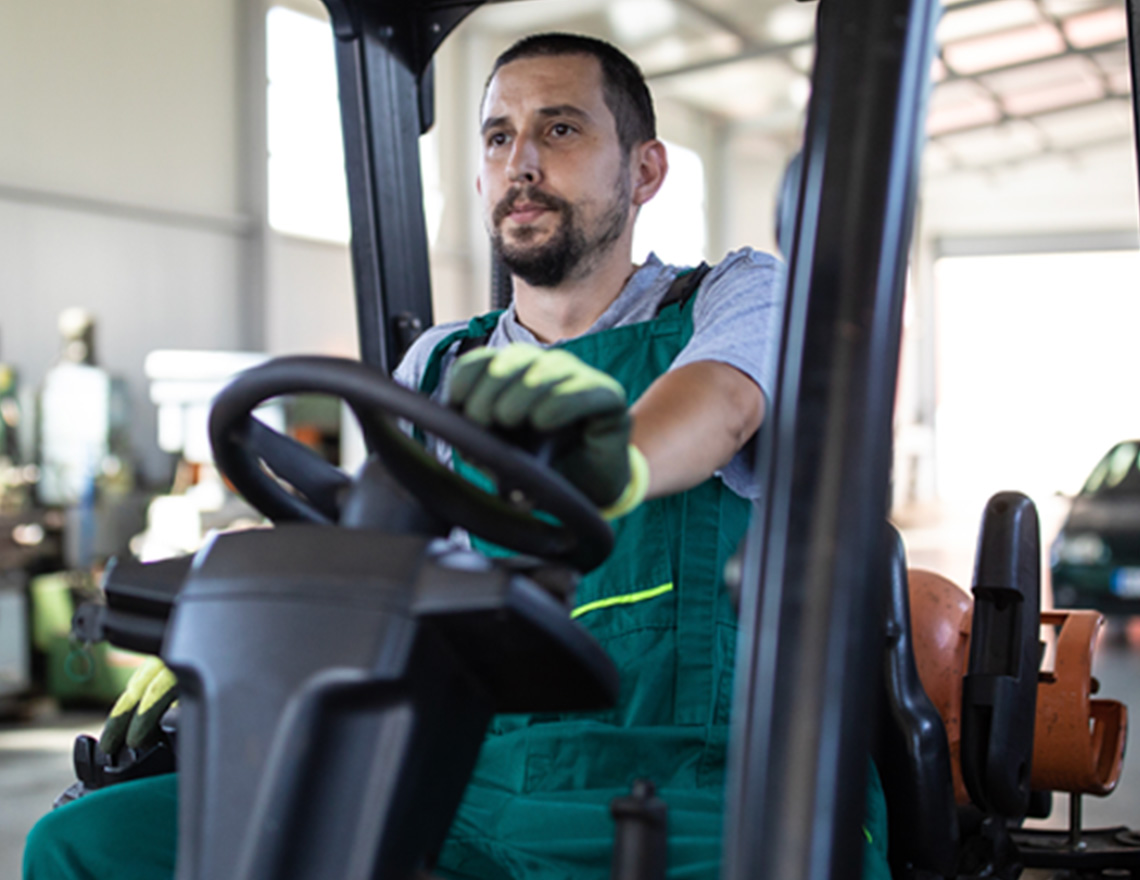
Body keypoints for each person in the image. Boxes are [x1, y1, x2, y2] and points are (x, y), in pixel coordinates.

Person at [24, 32, 889, 880]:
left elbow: (724, 407)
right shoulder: (435, 367)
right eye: (499, 137)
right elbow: (376, 552)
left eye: (560, 130)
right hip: (470, 780)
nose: (522, 163)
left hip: (709, 786)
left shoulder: (738, 295)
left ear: (646, 169)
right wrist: (231, 631)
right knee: (84, 846)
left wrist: (611, 459)